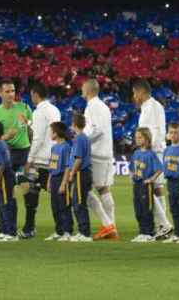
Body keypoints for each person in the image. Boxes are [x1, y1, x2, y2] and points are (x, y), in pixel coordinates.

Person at [0, 81, 33, 238]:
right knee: (6, 193)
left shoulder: (24, 108)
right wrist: (7, 136)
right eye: (7, 91)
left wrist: (32, 151)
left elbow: (32, 129)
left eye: (13, 91)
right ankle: (4, 227)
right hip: (7, 153)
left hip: (24, 152)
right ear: (0, 93)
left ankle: (27, 227)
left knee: (28, 189)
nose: (11, 94)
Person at [132, 79, 173, 239]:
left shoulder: (150, 107)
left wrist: (146, 149)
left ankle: (163, 223)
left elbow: (153, 130)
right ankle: (162, 225)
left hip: (152, 151)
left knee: (147, 187)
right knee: (156, 188)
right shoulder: (153, 106)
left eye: (135, 93)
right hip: (155, 150)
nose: (134, 96)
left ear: (141, 92)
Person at [82, 78, 117, 240]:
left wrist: (81, 141)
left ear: (88, 90)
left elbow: (96, 130)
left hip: (96, 153)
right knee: (104, 189)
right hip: (105, 152)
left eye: (83, 88)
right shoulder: (103, 106)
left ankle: (107, 224)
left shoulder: (92, 107)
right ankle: (111, 226)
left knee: (85, 189)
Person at [26, 82, 62, 239]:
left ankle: (30, 228)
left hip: (41, 159)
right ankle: (62, 228)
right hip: (54, 156)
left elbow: (38, 137)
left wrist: (30, 158)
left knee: (33, 193)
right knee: (55, 193)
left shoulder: (38, 112)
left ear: (35, 94)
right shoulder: (54, 109)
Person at [63, 114, 93, 242]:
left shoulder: (79, 139)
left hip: (81, 173)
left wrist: (71, 173)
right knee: (78, 202)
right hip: (83, 173)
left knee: (79, 202)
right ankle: (83, 231)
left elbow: (78, 159)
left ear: (74, 125)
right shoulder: (83, 138)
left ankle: (84, 233)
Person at [129, 128, 163, 243]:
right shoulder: (136, 153)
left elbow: (159, 169)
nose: (137, 140)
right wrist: (132, 176)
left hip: (145, 185)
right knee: (138, 209)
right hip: (137, 184)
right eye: (136, 137)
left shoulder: (150, 154)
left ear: (147, 139)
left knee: (146, 209)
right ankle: (142, 232)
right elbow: (132, 168)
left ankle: (149, 232)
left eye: (140, 137)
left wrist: (151, 179)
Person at [46, 121, 73, 242]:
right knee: (55, 206)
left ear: (56, 133)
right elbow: (51, 166)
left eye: (51, 131)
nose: (50, 133)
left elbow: (68, 166)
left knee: (64, 206)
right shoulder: (54, 147)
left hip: (62, 178)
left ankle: (68, 231)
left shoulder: (66, 147)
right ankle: (59, 231)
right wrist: (49, 181)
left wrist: (64, 183)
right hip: (54, 179)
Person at [0, 121, 18, 242]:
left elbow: (1, 165)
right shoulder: (3, 143)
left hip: (4, 177)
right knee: (5, 203)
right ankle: (5, 230)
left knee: (6, 203)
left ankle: (10, 232)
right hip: (8, 176)